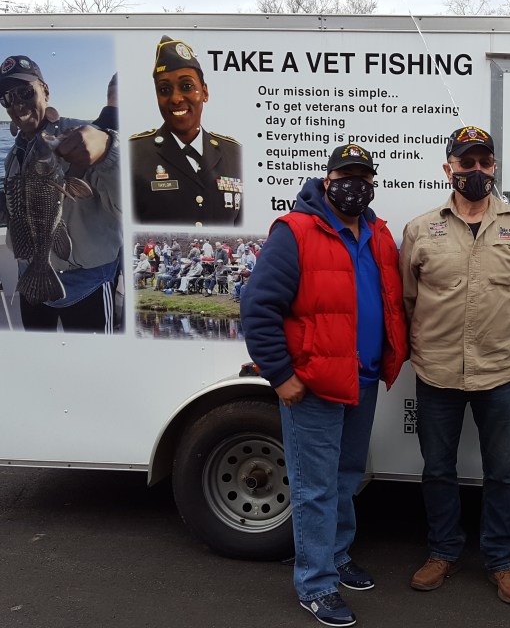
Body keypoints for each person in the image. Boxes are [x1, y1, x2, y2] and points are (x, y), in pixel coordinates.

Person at [241, 143, 409, 628]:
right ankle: (315, 584)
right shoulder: (295, 231)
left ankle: (336, 555)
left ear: (372, 183)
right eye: (345, 175)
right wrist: (281, 375)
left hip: (362, 379)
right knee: (313, 487)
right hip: (313, 385)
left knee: (347, 475)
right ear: (327, 179)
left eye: (363, 176)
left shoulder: (378, 234)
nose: (354, 185)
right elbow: (258, 307)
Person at [400, 125, 510, 606]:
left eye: (484, 162)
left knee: (501, 472)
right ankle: (443, 551)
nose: (476, 170)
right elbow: (409, 297)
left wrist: (498, 333)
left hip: (498, 372)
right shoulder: (421, 229)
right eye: (466, 163)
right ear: (449, 169)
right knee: (438, 469)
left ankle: (502, 560)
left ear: (494, 166)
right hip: (436, 371)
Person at [0, 54, 121, 332]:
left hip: (86, 283)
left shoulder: (87, 136)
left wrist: (108, 152)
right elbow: (15, 211)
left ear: (45, 90)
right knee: (39, 355)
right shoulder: (14, 155)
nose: (17, 104)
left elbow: (127, 206)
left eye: (25, 92)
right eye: (6, 98)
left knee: (93, 358)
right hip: (30, 276)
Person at [130, 35, 242, 227]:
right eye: (164, 90)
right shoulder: (134, 154)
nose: (175, 98)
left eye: (187, 86)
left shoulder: (234, 153)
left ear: (204, 92)